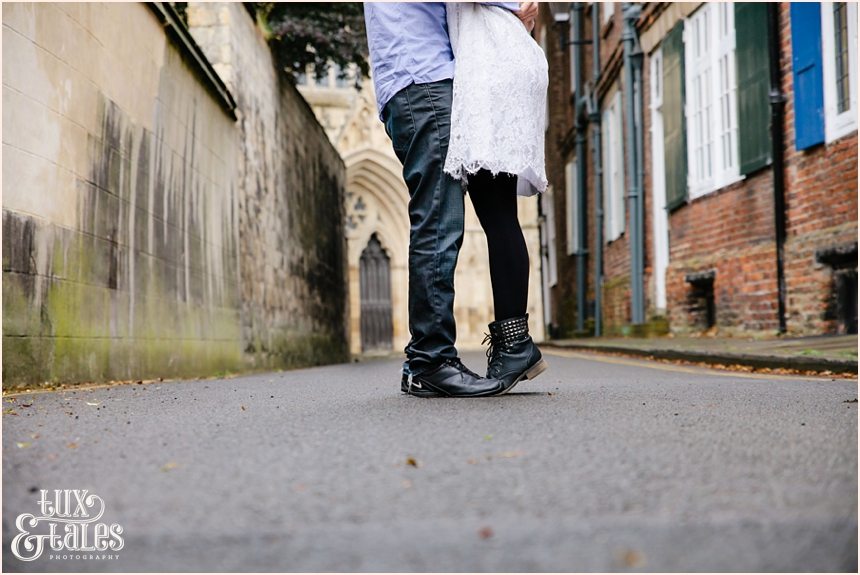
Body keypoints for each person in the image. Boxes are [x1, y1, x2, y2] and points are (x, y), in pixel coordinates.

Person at [364, 2, 545, 398]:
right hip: (424, 83)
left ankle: (506, 345)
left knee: (473, 214)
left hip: (425, 82)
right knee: (439, 221)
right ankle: (430, 359)